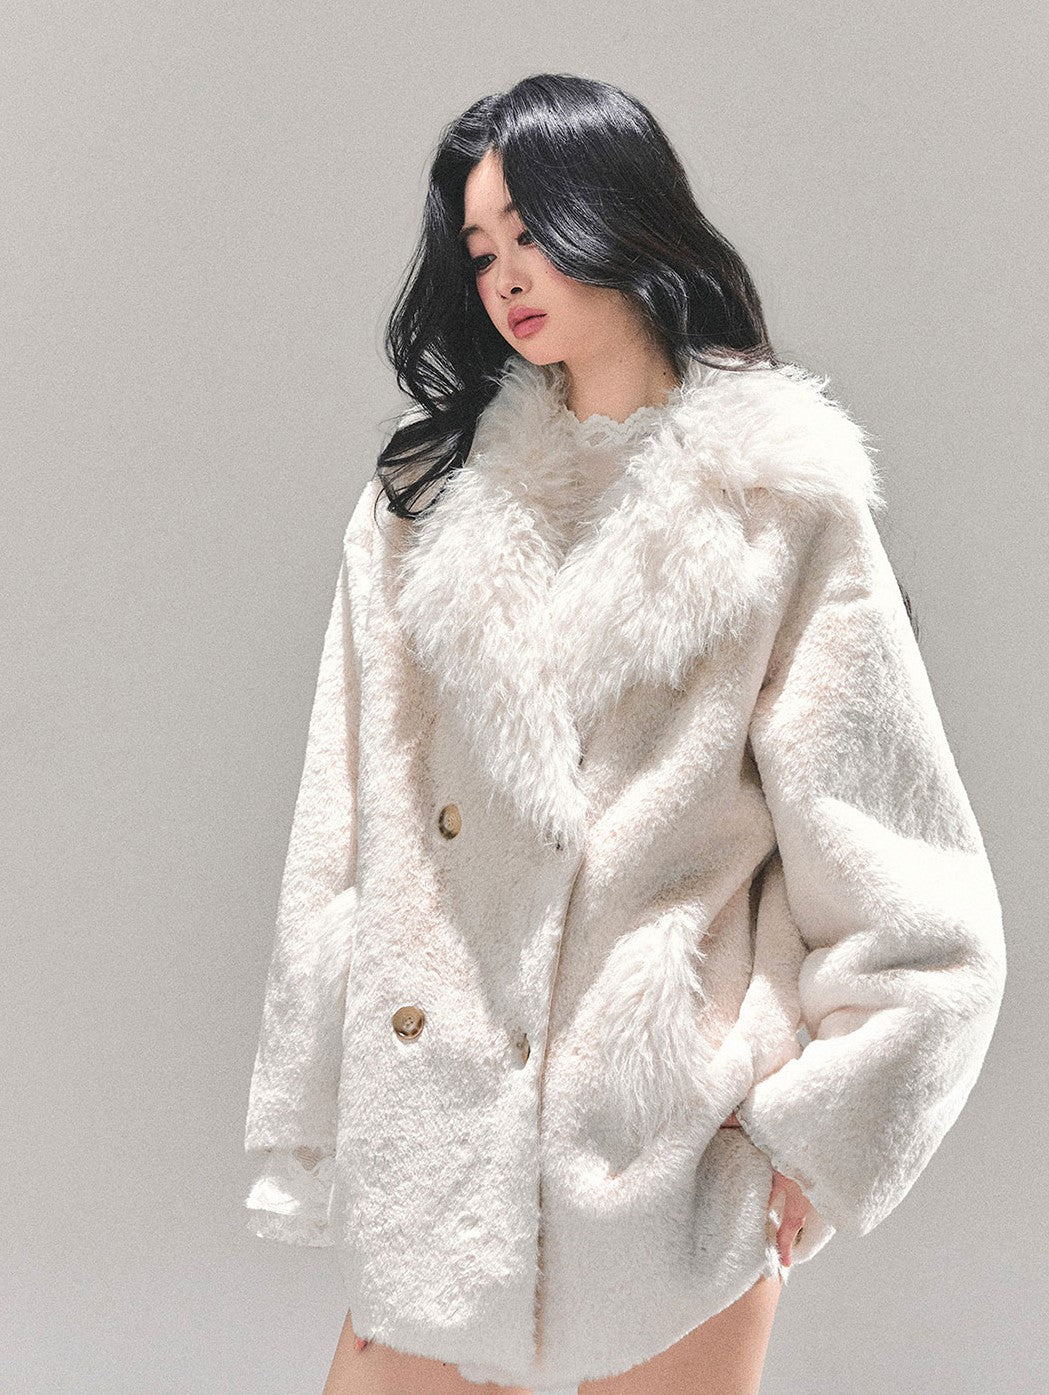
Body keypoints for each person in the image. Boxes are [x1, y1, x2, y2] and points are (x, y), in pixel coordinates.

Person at [241, 74, 1007, 1395]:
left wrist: (818, 1136)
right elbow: (342, 828)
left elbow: (909, 880)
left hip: (666, 1163)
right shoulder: (418, 512)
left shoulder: (777, 510)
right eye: (478, 248)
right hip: (441, 1146)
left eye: (530, 231)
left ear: (617, 216)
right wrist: (320, 1114)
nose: (503, 275)